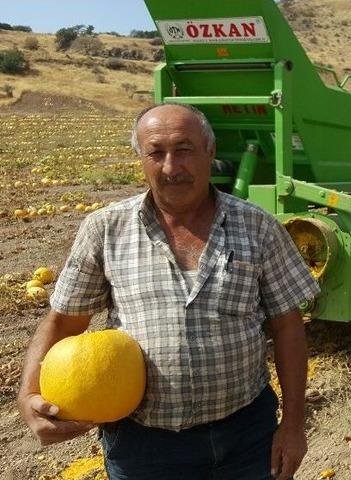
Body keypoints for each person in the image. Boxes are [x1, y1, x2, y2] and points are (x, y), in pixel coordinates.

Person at [17, 103, 320, 479]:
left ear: (210, 152)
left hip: (247, 436)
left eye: (184, 150)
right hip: (143, 447)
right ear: (140, 160)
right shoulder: (105, 230)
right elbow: (63, 321)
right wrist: (28, 395)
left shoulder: (258, 227)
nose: (171, 167)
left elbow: (288, 325)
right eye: (156, 153)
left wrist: (293, 425)